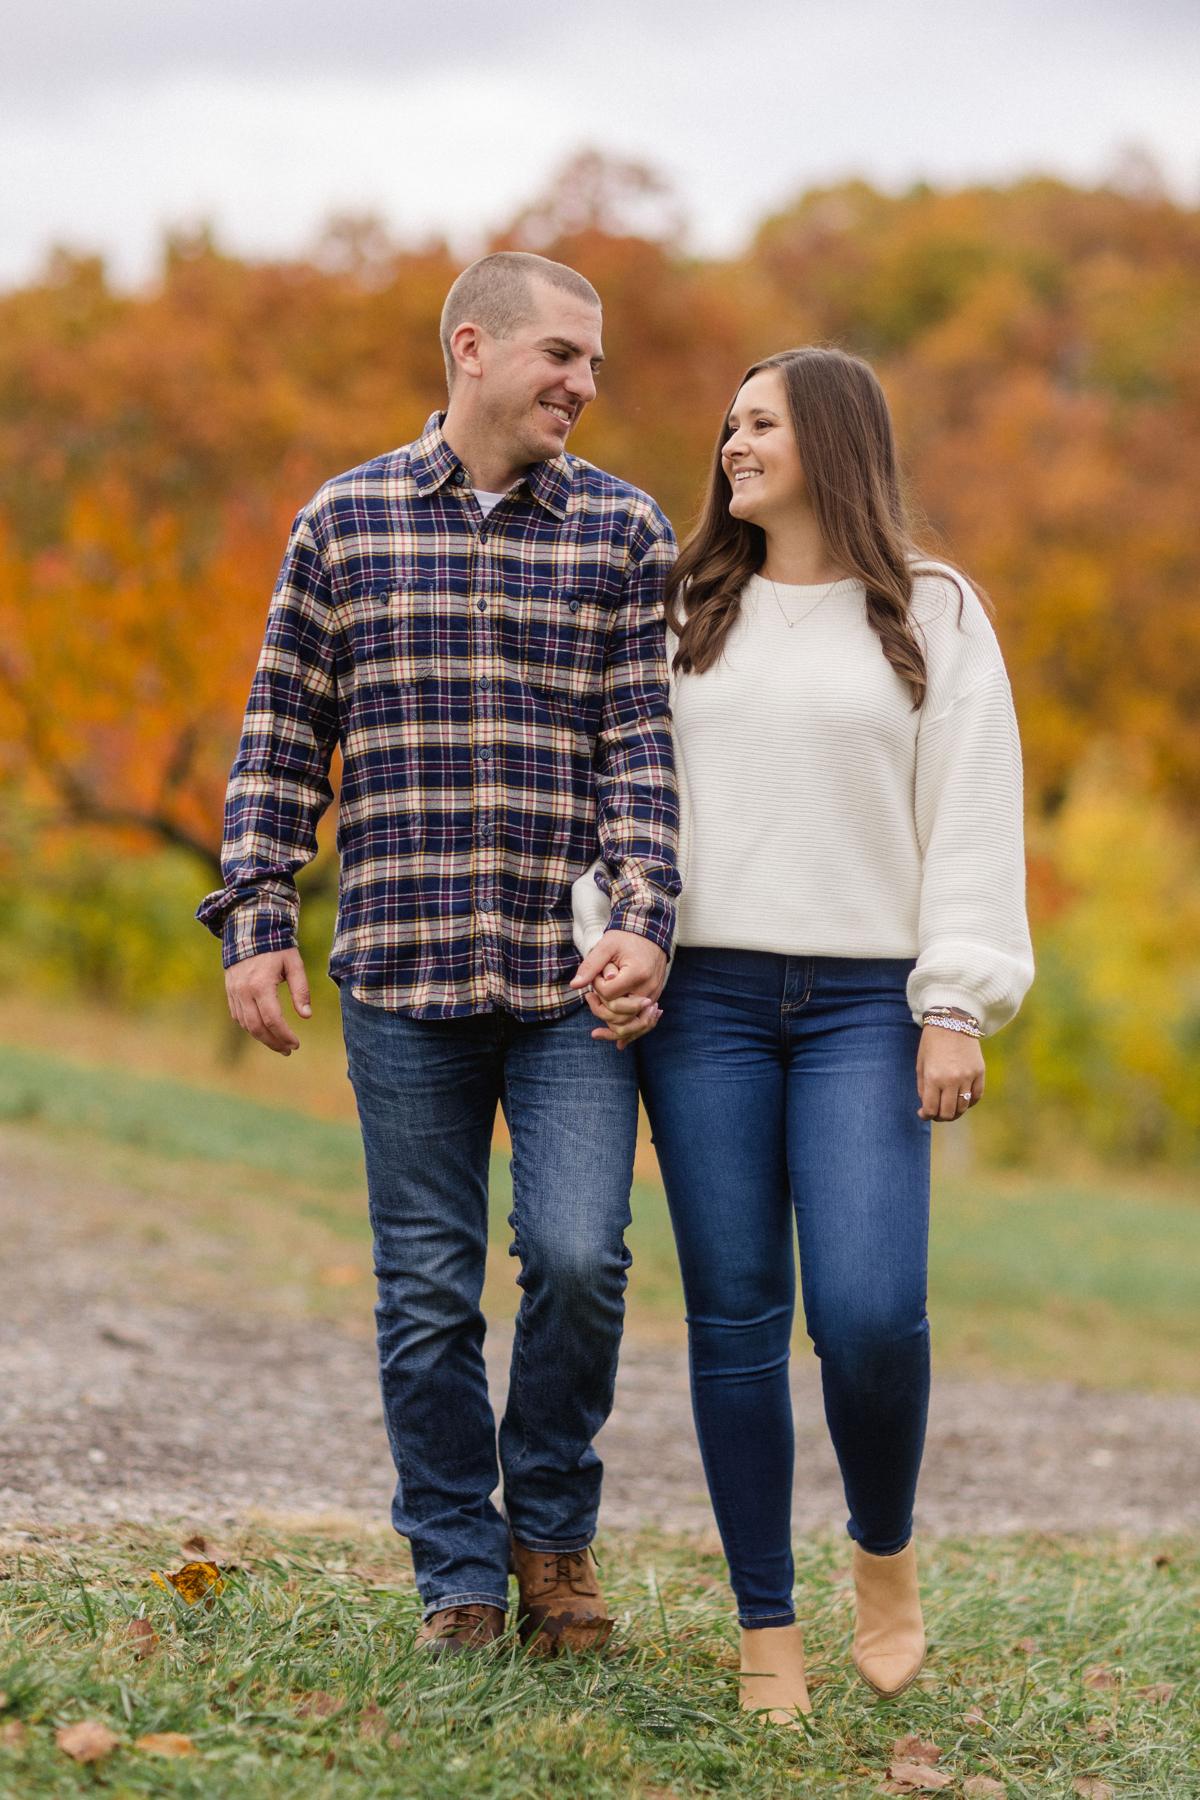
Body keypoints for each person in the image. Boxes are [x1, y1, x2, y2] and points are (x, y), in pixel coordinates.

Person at [198, 251, 680, 1656]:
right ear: (473, 346)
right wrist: (258, 917)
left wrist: (644, 915)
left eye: (594, 365)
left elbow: (643, 755)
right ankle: (458, 1571)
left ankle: (553, 1532)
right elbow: (281, 736)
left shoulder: (624, 531)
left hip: (566, 981)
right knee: (424, 1287)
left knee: (580, 1257)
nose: (583, 385)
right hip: (401, 973)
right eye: (561, 356)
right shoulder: (343, 521)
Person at [573, 346, 1034, 1722]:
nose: (732, 443)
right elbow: (612, 789)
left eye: (761, 422)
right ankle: (765, 1623)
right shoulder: (678, 606)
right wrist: (612, 931)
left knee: (871, 1313)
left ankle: (882, 1556)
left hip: (865, 1007)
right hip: (702, 1002)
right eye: (728, 423)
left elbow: (972, 812)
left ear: (833, 437)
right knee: (735, 1319)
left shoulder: (934, 612)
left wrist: (954, 1003)